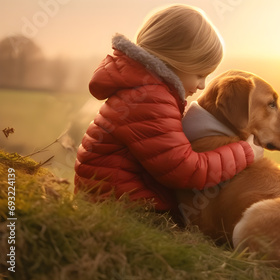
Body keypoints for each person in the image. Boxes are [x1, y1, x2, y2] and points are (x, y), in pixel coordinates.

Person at [74, 4, 263, 219]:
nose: (202, 85)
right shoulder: (149, 99)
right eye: (200, 74)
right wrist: (245, 152)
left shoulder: (146, 90)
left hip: (116, 198)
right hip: (122, 207)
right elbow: (186, 170)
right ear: (176, 62)